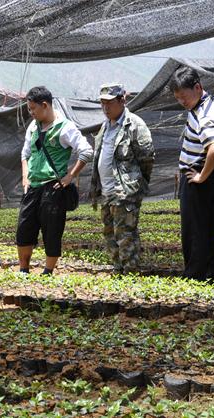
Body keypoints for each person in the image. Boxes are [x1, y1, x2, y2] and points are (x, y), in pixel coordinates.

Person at [17, 86, 93, 275]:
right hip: (33, 186)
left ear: (45, 105)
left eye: (33, 109)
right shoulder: (33, 127)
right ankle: (23, 270)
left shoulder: (65, 127)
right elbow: (25, 153)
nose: (31, 113)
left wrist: (70, 176)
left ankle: (47, 271)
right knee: (24, 228)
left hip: (53, 186)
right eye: (29, 109)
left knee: (52, 230)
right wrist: (25, 175)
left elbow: (86, 151)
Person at [89, 83, 154, 275]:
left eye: (109, 103)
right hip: (106, 192)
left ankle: (131, 274)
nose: (105, 108)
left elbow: (147, 158)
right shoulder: (105, 127)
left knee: (125, 235)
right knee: (110, 234)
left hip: (125, 192)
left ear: (122, 100)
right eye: (102, 103)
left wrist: (134, 184)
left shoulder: (135, 125)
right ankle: (118, 271)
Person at [170, 66, 214, 281]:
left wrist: (201, 176)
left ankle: (195, 276)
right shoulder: (206, 103)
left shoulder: (205, 114)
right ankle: (210, 274)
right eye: (178, 98)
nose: (182, 102)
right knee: (207, 227)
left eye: (184, 97)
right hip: (203, 176)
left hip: (198, 178)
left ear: (197, 87)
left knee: (195, 230)